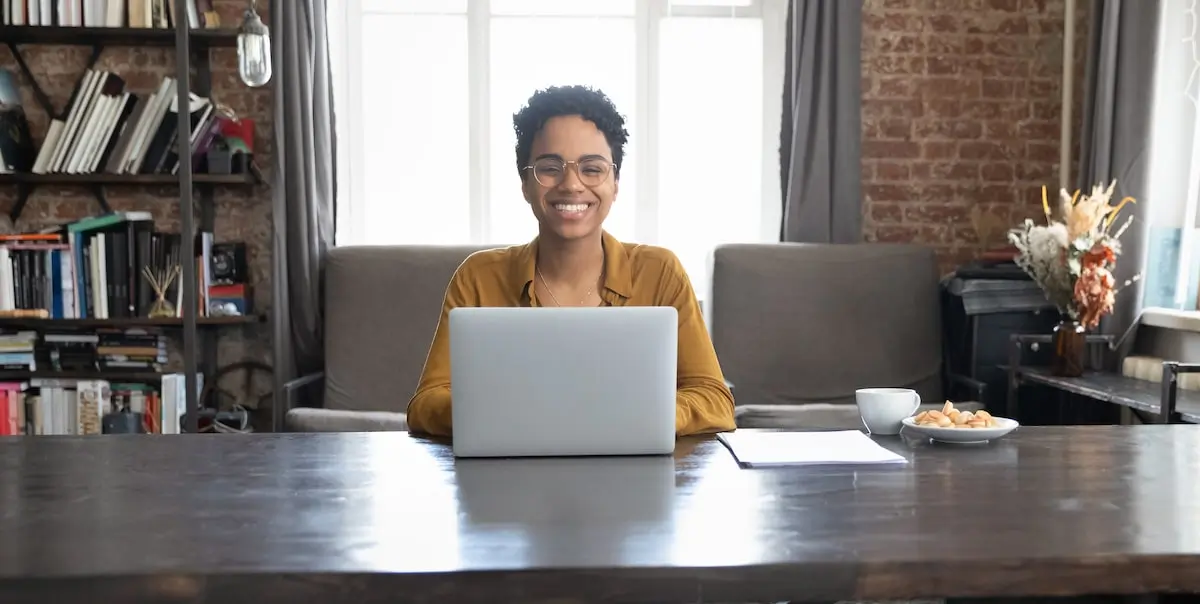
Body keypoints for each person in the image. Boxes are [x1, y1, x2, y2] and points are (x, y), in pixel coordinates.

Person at [405, 84, 736, 437]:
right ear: (525, 184)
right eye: (550, 167)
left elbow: (714, 400)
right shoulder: (477, 277)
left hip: (628, 466)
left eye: (592, 169)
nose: (571, 185)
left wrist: (643, 414)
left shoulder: (660, 272)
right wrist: (498, 409)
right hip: (513, 467)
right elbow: (426, 404)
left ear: (615, 184)